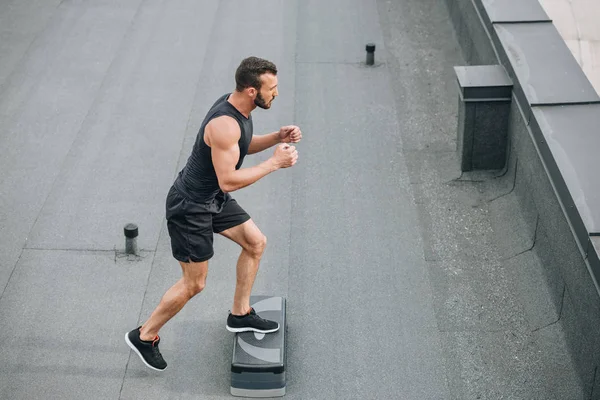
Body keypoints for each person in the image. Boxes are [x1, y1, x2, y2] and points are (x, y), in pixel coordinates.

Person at [125, 56, 301, 371]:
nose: (275, 94)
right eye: (271, 89)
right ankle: (145, 335)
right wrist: (274, 163)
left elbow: (241, 145)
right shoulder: (223, 124)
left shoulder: (239, 110)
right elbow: (229, 179)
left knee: (255, 242)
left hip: (211, 197)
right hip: (190, 207)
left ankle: (240, 313)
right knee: (195, 283)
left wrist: (277, 137)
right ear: (251, 90)